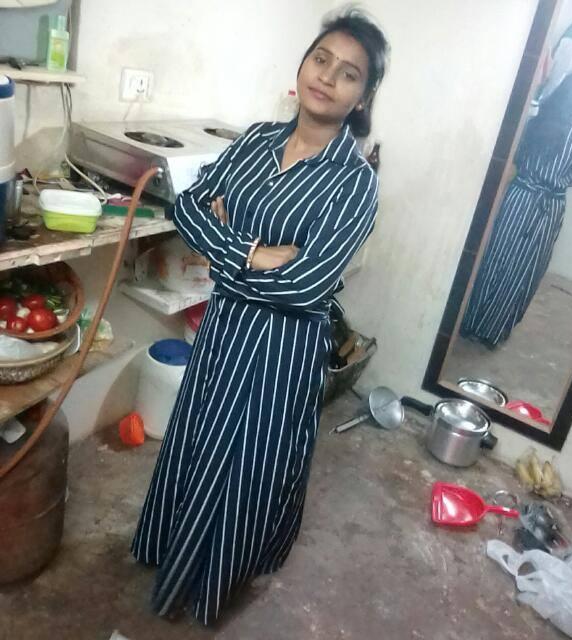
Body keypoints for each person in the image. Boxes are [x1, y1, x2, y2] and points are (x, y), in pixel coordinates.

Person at [131, 9, 389, 625]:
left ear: (362, 98)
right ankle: (170, 547)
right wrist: (251, 251)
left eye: (348, 73)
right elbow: (188, 207)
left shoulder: (355, 184)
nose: (327, 77)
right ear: (303, 64)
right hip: (225, 325)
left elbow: (306, 285)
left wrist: (225, 243)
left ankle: (210, 580)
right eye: (321, 59)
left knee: (250, 463)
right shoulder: (255, 140)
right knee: (198, 438)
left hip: (283, 345)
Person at [460, 72, 572, 348]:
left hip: (519, 196)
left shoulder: (538, 121)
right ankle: (493, 331)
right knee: (524, 269)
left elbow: (518, 156)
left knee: (495, 256)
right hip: (549, 208)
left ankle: (470, 321)